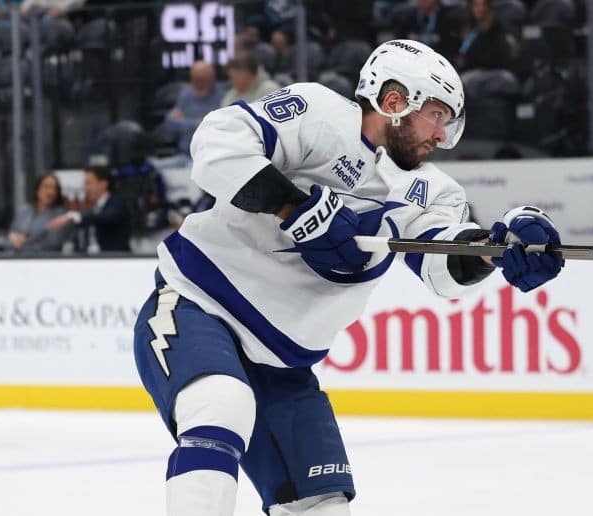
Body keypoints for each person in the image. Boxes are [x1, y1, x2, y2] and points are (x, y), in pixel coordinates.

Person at [130, 39, 565, 516]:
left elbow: (444, 261)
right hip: (199, 306)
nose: (442, 136)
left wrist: (498, 249)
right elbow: (217, 143)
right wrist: (292, 205)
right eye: (438, 115)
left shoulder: (434, 192)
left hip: (283, 365)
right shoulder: (319, 113)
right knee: (220, 407)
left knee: (324, 506)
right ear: (396, 101)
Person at [46, 165, 131, 253]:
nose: (85, 188)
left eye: (88, 183)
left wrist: (71, 216)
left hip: (115, 261)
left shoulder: (116, 203)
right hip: (89, 260)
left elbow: (104, 217)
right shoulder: (91, 207)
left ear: (103, 184)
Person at [166, 61, 225, 154]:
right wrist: (196, 123)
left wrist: (183, 122)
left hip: (211, 155)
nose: (199, 84)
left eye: (203, 79)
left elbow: (212, 128)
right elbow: (170, 124)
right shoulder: (185, 94)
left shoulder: (222, 97)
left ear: (212, 79)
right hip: (184, 153)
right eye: (196, 79)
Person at [8, 173, 71, 254]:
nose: (51, 191)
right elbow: (10, 237)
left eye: (54, 188)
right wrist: (14, 240)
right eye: (46, 186)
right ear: (37, 189)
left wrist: (24, 242)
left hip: (44, 261)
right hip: (19, 260)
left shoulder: (60, 215)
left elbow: (53, 244)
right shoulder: (24, 211)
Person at [455, 0, 516, 71]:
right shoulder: (468, 26)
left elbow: (490, 58)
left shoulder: (494, 28)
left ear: (489, 7)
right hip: (461, 67)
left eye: (483, 5)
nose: (480, 9)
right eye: (476, 5)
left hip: (483, 71)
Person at [393, 0, 467, 57]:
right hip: (412, 58)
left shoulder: (450, 17)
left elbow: (452, 47)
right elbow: (398, 42)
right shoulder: (407, 16)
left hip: (441, 61)